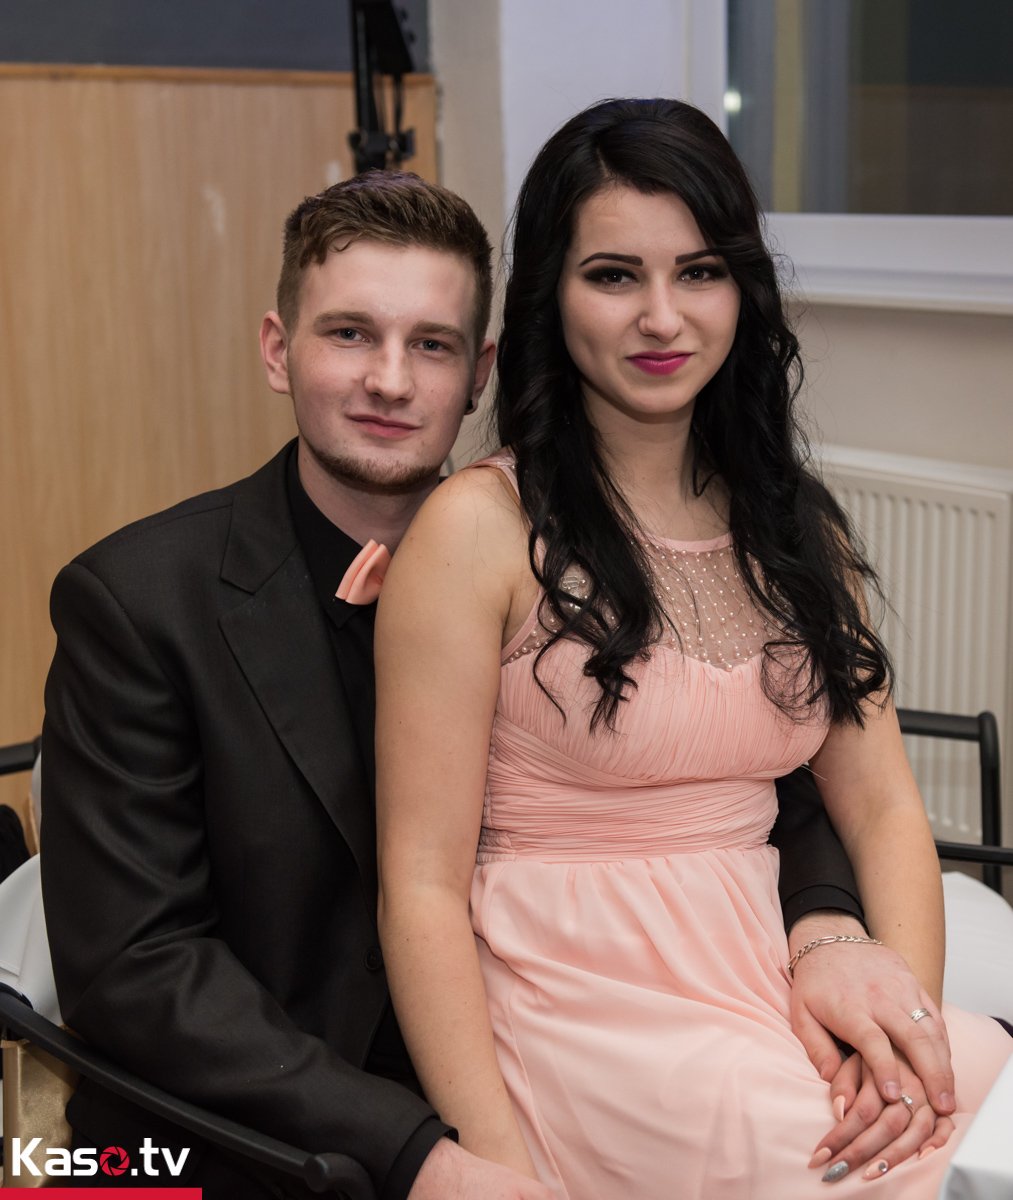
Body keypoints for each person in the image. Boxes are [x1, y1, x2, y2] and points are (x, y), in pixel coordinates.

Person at [374, 101, 1013, 1198]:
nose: (660, 317)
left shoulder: (794, 529)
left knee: (975, 1121)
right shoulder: (478, 531)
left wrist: (901, 1031)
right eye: (613, 275)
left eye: (700, 272)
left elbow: (880, 807)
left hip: (770, 973)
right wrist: (492, 1161)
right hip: (592, 1015)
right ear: (550, 294)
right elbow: (421, 886)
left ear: (741, 291)